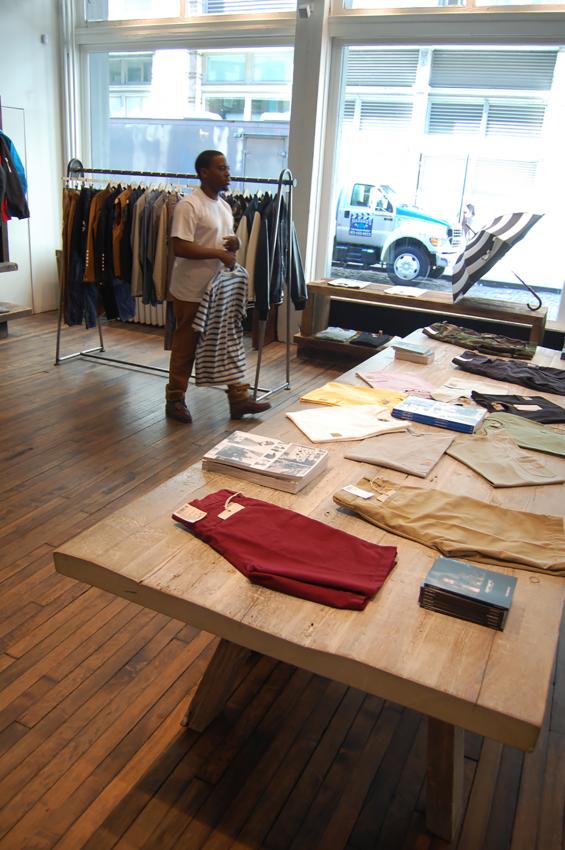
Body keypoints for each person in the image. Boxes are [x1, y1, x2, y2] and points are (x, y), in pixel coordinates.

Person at [165, 149, 271, 423]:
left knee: (228, 342)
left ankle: (239, 400)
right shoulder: (189, 205)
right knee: (186, 347)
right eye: (221, 168)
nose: (228, 173)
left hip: (219, 290)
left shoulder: (223, 206)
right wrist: (218, 254)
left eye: (227, 168)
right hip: (191, 291)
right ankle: (174, 400)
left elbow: (223, 242)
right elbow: (179, 246)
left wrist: (236, 243)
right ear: (204, 173)